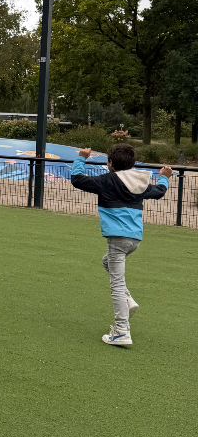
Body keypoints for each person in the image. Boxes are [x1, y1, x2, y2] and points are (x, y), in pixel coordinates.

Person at [71, 144, 171, 346]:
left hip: (117, 239)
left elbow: (77, 180)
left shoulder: (106, 181)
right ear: (132, 163)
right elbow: (159, 191)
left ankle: (122, 331)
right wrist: (165, 176)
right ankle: (128, 300)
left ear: (109, 163)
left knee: (116, 284)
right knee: (106, 263)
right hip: (135, 240)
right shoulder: (141, 182)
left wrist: (82, 157)